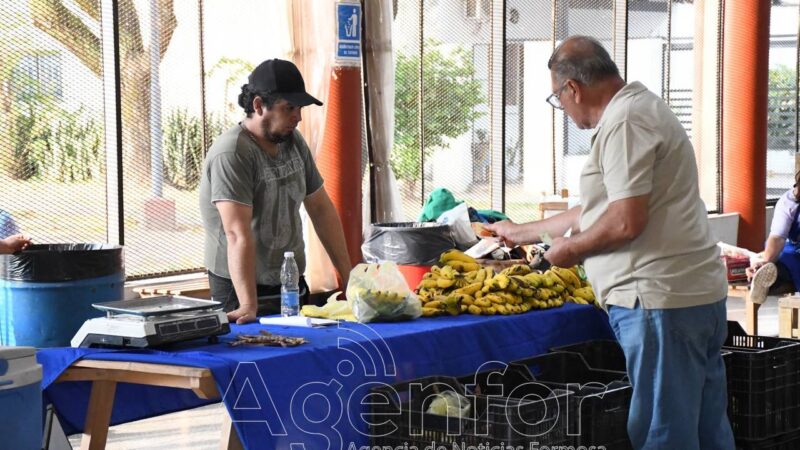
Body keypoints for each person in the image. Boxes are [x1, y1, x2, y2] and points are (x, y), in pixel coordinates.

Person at [485, 36, 734, 449]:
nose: (562, 109)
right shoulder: (640, 109)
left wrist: (569, 251)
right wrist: (524, 231)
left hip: (658, 301)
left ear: (573, 89)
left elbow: (624, 222)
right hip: (690, 296)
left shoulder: (625, 122)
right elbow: (599, 209)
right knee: (706, 430)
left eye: (557, 99)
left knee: (664, 432)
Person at [199, 59, 352, 325]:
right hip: (239, 289)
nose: (299, 117)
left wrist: (348, 277)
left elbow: (320, 208)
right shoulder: (232, 153)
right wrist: (248, 304)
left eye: (300, 108)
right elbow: (236, 233)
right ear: (258, 106)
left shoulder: (293, 142)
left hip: (288, 279)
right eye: (289, 108)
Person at [747, 171, 800, 304]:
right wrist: (766, 262)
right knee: (781, 261)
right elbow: (777, 237)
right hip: (792, 251)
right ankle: (763, 274)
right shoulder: (788, 202)